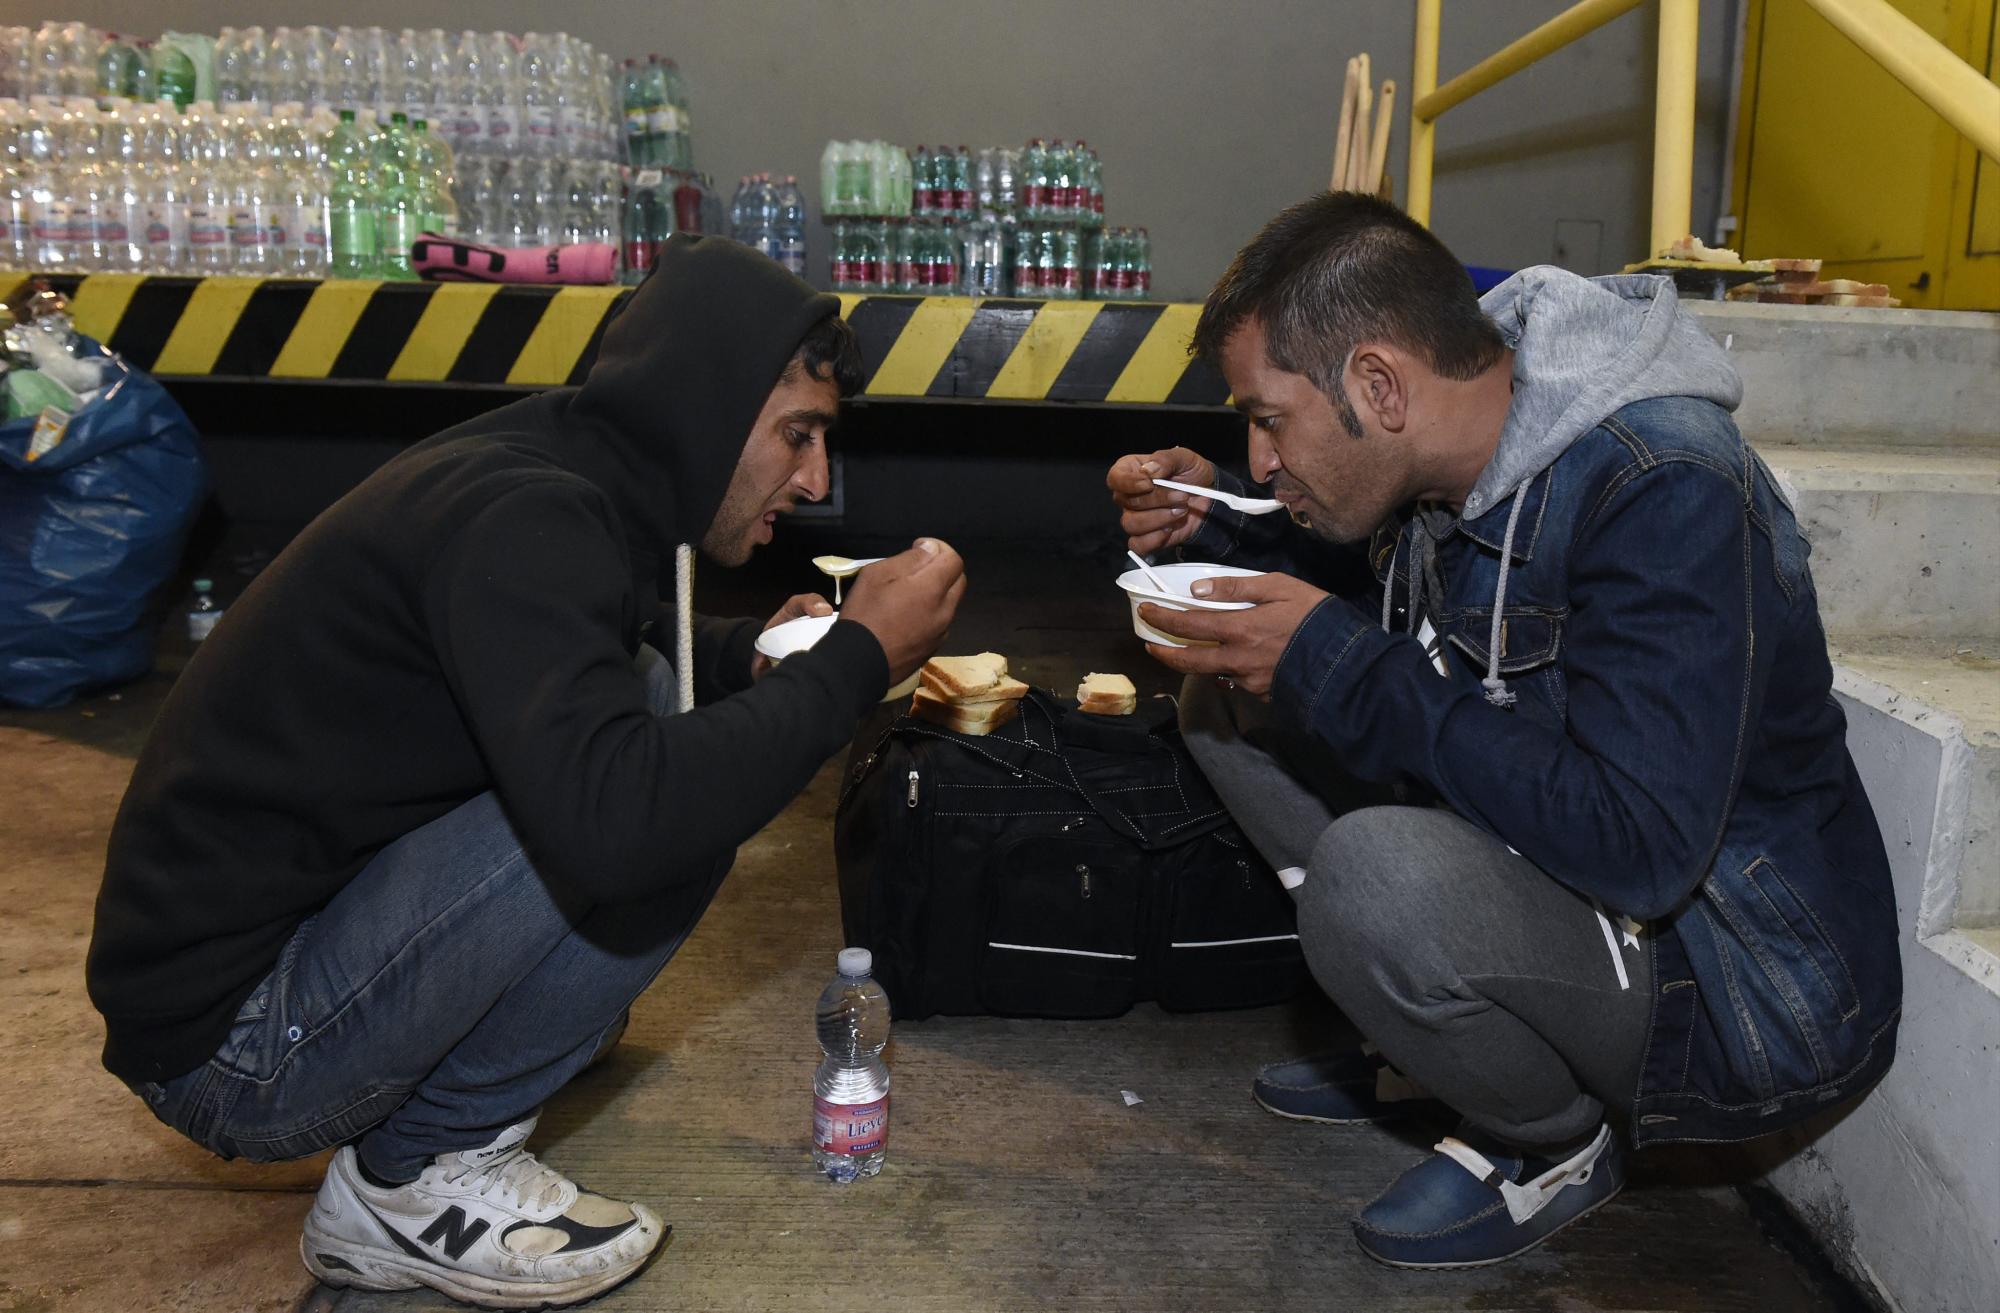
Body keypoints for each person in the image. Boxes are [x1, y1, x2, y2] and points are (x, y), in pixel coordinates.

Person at [86, 235, 966, 1308]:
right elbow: (628, 820)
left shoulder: (556, 461)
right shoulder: (530, 519)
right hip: (236, 1050)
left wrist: (745, 653)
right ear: (703, 408)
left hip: (251, 962)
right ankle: (417, 1175)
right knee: (660, 788)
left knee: (667, 696)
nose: (815, 479)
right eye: (797, 435)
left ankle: (484, 1043)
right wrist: (857, 660)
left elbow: (597, 632)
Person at [1106, 193, 1900, 1269]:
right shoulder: (1458, 449)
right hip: (1577, 884)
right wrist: (1227, 536)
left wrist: (1336, 663)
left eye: (1267, 418)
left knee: (1370, 877)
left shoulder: (1662, 482)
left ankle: (1550, 1140)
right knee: (1225, 701)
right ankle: (1437, 1035)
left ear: (1379, 385)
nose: (1256, 459)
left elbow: (1641, 845)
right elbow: (1424, 647)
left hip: (1727, 980)